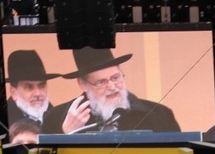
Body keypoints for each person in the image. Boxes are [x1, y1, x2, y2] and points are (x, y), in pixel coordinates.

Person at [41, 47, 181, 134]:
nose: (112, 87)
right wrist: (66, 134)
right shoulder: (55, 118)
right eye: (101, 82)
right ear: (83, 84)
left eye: (115, 78)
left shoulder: (160, 114)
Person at [5, 50, 58, 128]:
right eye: (29, 87)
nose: (38, 93)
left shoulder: (58, 118)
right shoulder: (1, 121)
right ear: (14, 93)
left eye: (42, 86)